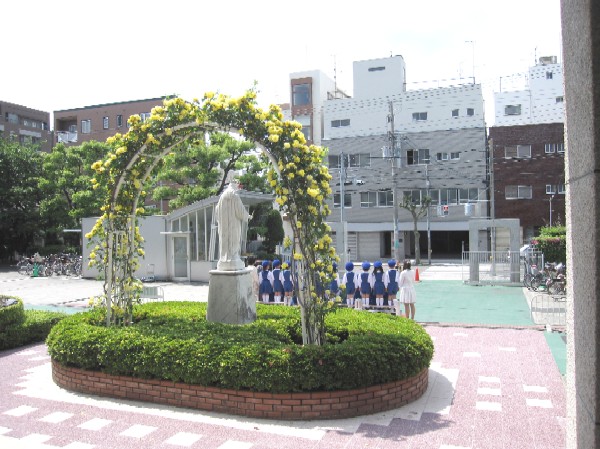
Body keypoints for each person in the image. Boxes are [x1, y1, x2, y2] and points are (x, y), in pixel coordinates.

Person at [214, 181, 251, 271]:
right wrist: (248, 216)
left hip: (223, 226)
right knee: (234, 239)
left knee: (224, 241)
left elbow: (217, 211)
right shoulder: (234, 195)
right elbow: (240, 211)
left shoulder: (222, 197)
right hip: (233, 224)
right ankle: (233, 258)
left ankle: (224, 259)